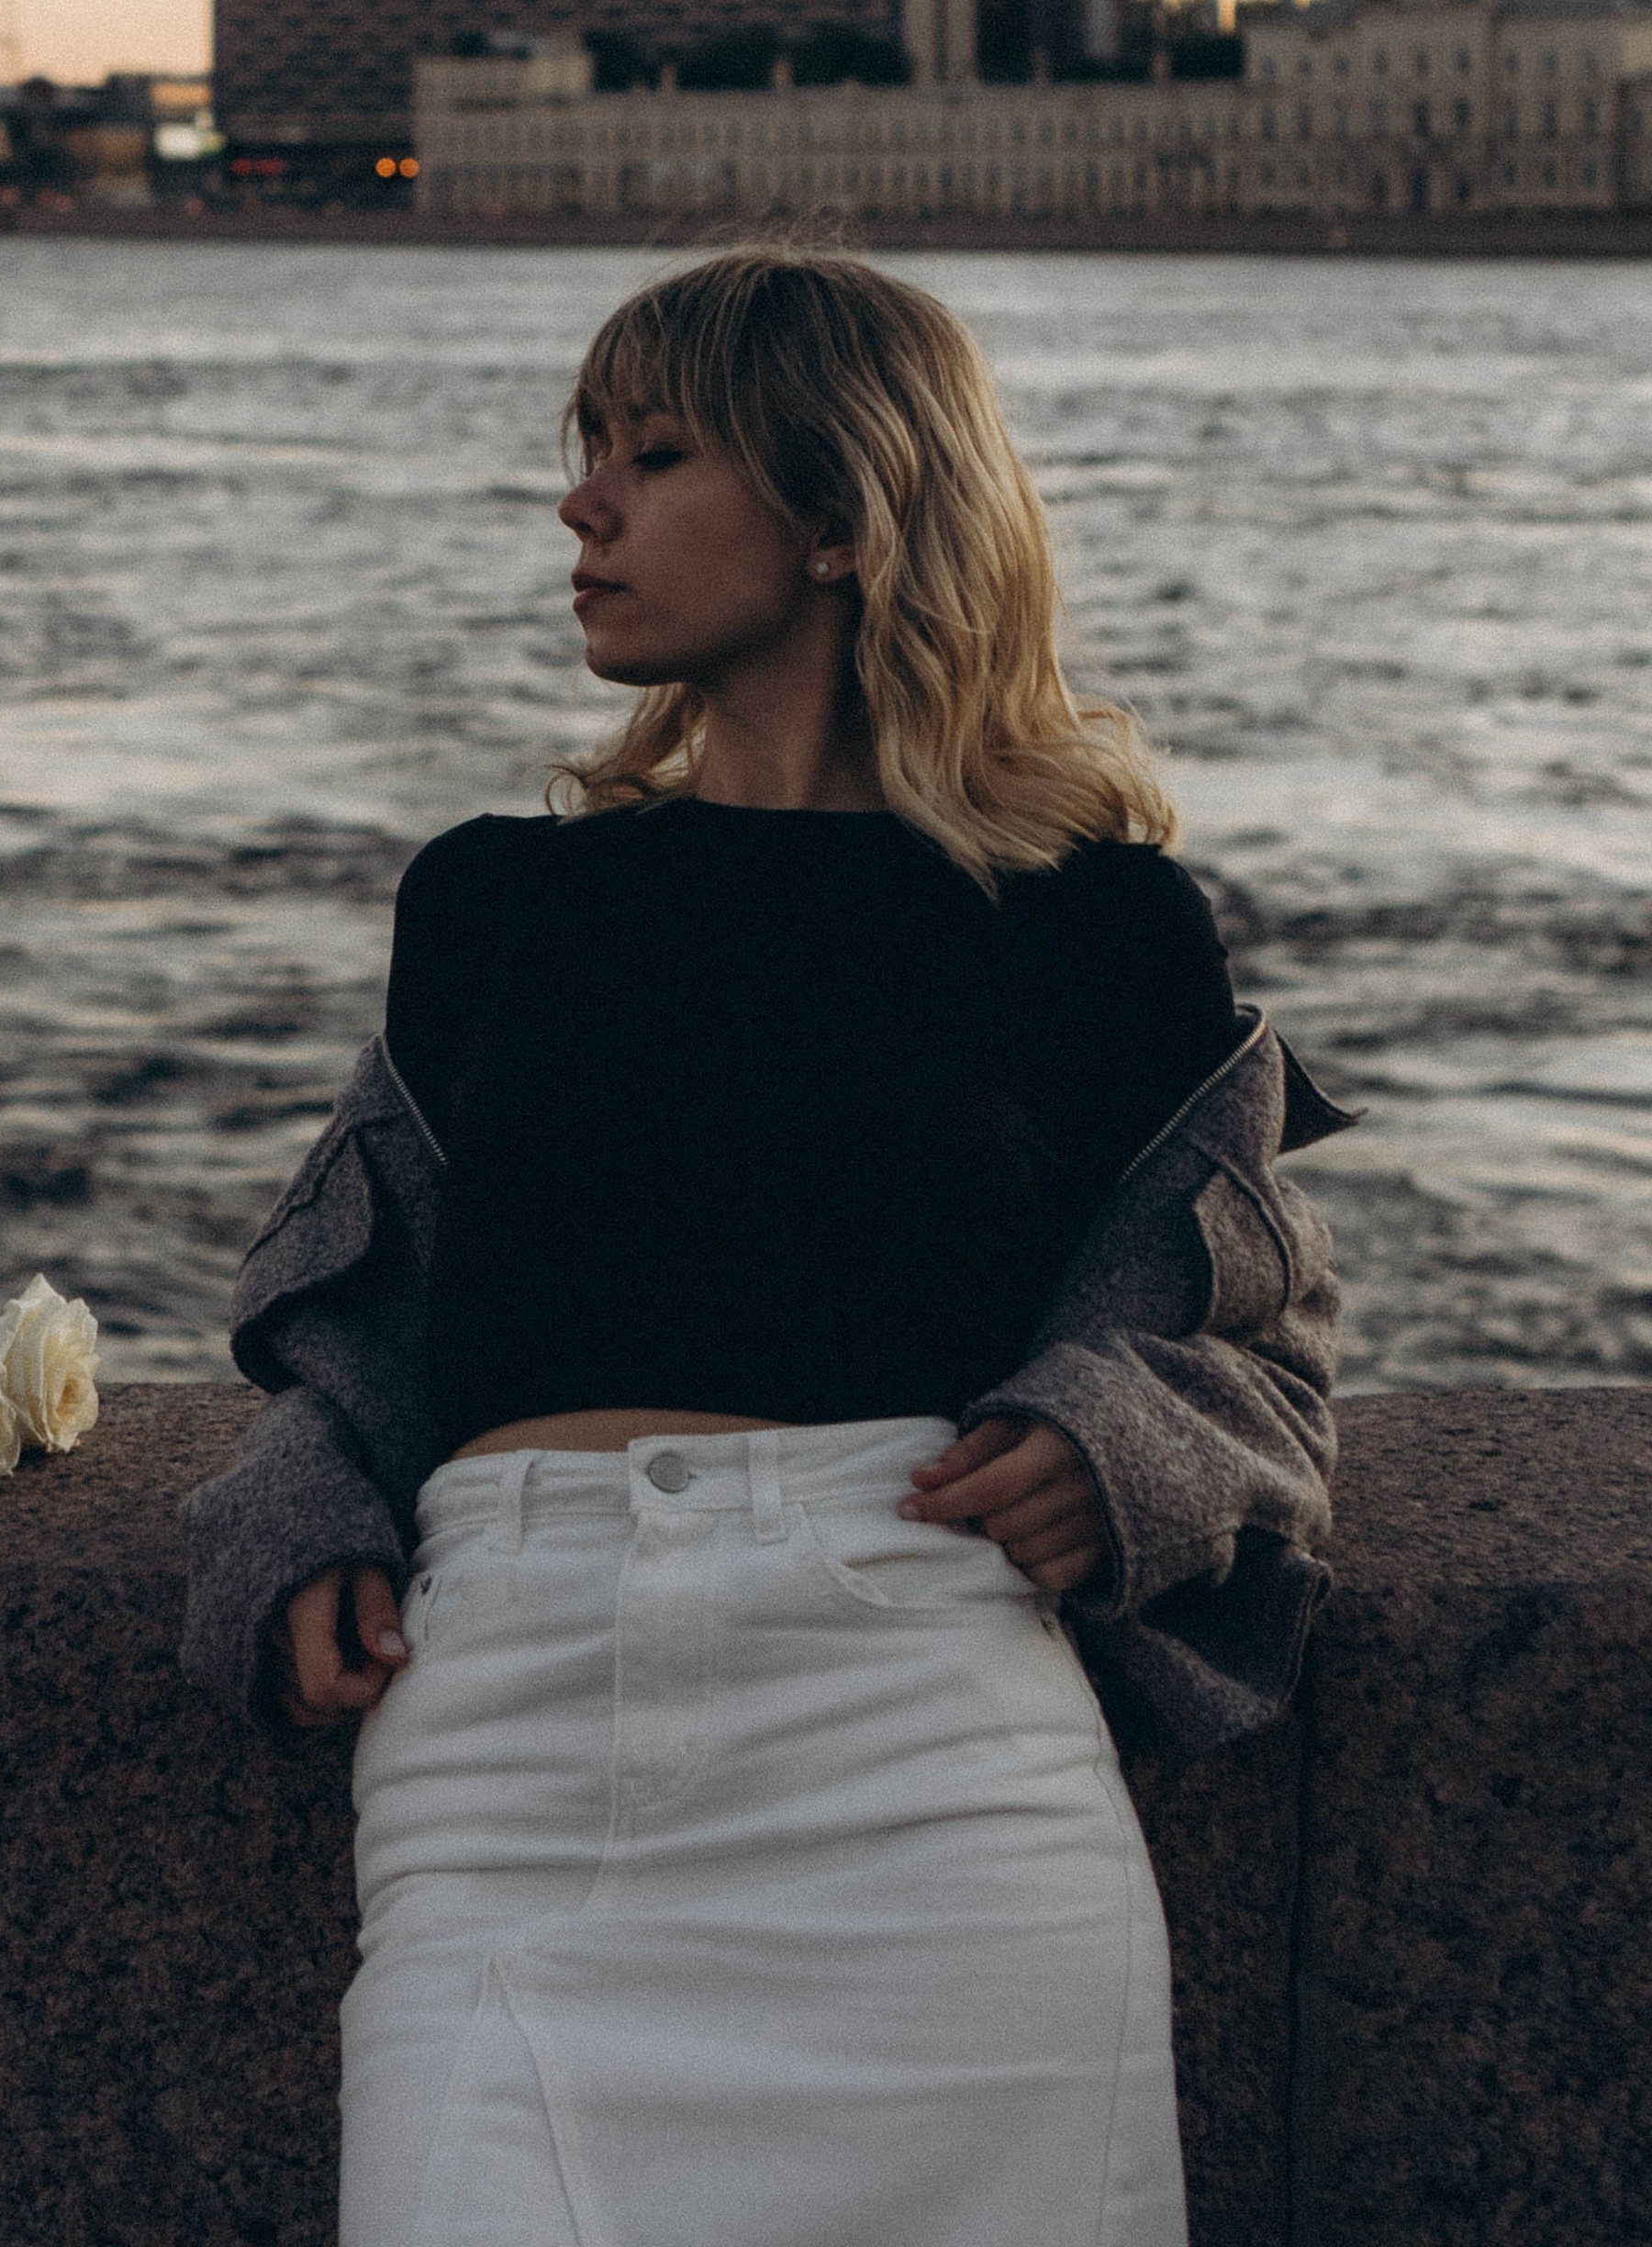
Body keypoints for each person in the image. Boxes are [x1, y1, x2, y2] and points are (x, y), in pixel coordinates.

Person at [183, 243, 1348, 2247]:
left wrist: (1106, 1447)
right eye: (585, 453)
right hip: (506, 1744)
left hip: (928, 1750)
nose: (581, 505)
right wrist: (305, 1511)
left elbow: (1253, 1332)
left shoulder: (1095, 928)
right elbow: (374, 1310)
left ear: (836, 515)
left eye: (652, 454)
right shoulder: (489, 904)